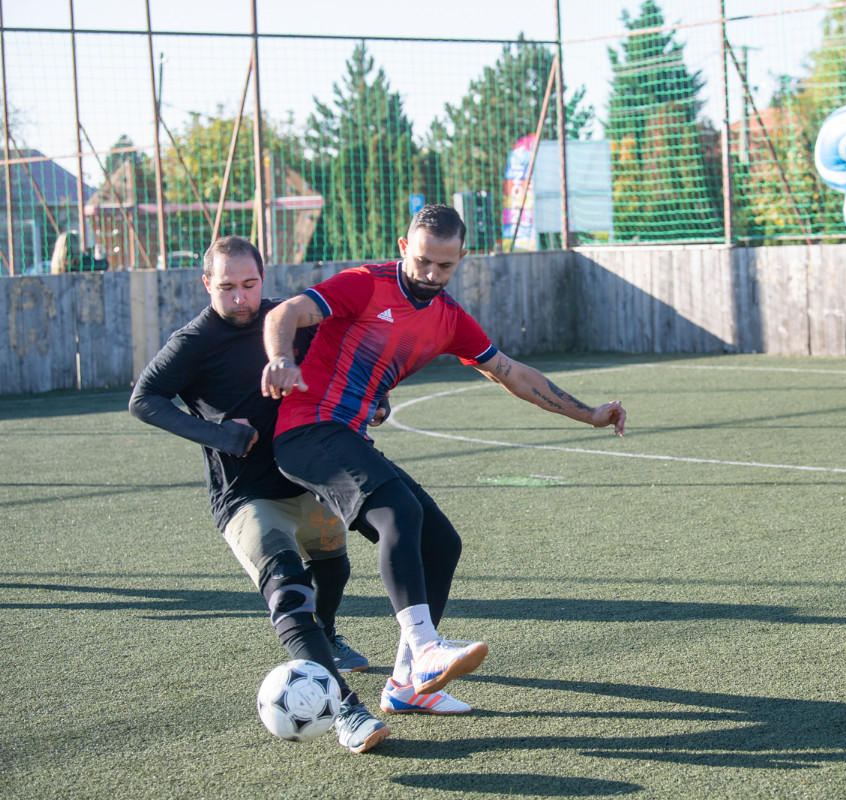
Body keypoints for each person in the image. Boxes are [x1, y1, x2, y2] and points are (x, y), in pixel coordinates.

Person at [260, 204, 626, 718]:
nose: (432, 274)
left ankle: (406, 684)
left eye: (445, 265)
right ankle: (427, 648)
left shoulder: (449, 318)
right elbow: (285, 313)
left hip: (349, 436)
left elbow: (511, 373)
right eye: (423, 261)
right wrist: (281, 359)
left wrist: (588, 414)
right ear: (404, 247)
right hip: (307, 431)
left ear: (462, 258)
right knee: (399, 512)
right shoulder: (365, 284)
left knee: (441, 544)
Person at [128, 235, 391, 754]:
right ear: (206, 283)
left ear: (263, 279)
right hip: (246, 497)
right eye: (227, 287)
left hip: (307, 479)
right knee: (290, 591)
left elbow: (350, 360)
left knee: (333, 567)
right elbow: (144, 399)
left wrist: (376, 401)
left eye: (249, 285)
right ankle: (346, 710)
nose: (240, 298)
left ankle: (326, 636)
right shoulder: (193, 342)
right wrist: (218, 434)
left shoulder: (285, 322)